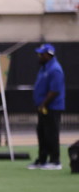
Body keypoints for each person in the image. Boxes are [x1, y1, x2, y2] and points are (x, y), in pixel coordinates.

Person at [29, 43, 65, 171]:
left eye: (41, 54)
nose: (39, 56)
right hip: (43, 107)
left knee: (51, 134)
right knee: (42, 133)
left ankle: (55, 161)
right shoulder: (44, 68)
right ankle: (42, 160)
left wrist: (43, 103)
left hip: (52, 107)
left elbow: (54, 91)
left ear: (48, 55)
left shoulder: (55, 69)